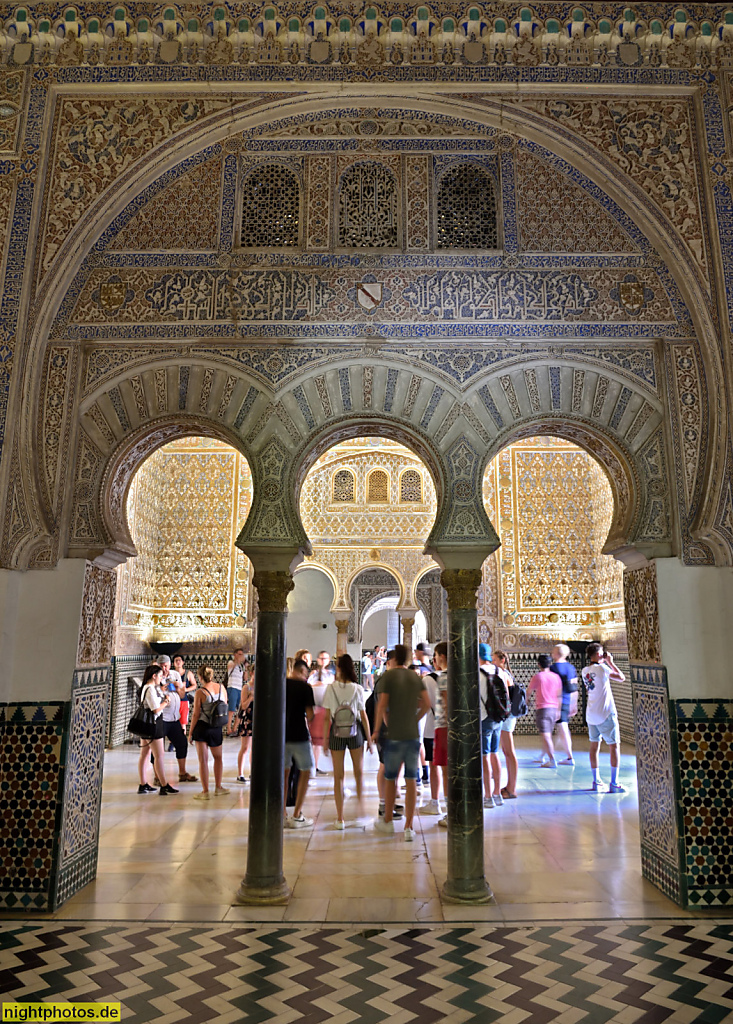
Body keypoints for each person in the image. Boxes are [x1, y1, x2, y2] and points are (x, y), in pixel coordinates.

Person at [372, 643, 430, 841]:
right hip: (412, 734)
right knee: (411, 780)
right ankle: (409, 827)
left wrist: (378, 729)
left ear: (393, 658)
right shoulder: (415, 677)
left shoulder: (387, 677)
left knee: (391, 778)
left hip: (395, 734)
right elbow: (426, 703)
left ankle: (387, 821)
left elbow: (382, 705)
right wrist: (414, 718)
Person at [323, 654, 372, 829]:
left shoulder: (331, 688)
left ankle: (340, 818)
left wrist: (324, 740)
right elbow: (363, 716)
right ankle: (361, 810)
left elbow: (327, 717)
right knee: (359, 773)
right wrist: (370, 739)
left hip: (336, 733)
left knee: (338, 776)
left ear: (339, 668)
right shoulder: (357, 688)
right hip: (355, 732)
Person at [581, 642, 626, 793]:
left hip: (591, 714)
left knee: (594, 747)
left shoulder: (584, 670)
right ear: (599, 654)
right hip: (606, 713)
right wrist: (611, 662)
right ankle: (614, 783)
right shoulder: (603, 668)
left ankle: (596, 781)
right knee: (614, 746)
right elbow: (621, 678)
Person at [136, 664, 178, 795]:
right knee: (159, 755)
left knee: (145, 755)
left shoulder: (147, 687)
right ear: (154, 676)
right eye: (160, 676)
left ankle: (143, 784)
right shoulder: (150, 689)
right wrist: (165, 703)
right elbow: (155, 709)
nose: (161, 678)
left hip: (146, 724)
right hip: (153, 725)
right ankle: (164, 785)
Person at [284, 659, 316, 828]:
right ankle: (297, 815)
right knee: (305, 771)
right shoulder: (305, 688)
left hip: (282, 735)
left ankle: (281, 814)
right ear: (303, 671)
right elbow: (310, 715)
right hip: (299, 736)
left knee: (284, 774)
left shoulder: (282, 684)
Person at [189, 665, 229, 800]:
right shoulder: (222, 688)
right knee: (218, 758)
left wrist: (190, 732)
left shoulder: (200, 692)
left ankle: (205, 791)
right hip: (216, 728)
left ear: (200, 677)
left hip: (202, 727)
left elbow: (196, 714)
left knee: (203, 761)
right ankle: (218, 787)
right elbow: (225, 703)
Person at [478, 642, 510, 808]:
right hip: (498, 718)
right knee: (494, 754)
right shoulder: (500, 671)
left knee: (484, 757)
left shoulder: (477, 673)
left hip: (484, 719)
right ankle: (497, 794)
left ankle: (488, 796)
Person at [157, 684, 198, 784]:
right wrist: (162, 690)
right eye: (163, 666)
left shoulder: (173, 676)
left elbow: (182, 695)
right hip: (162, 719)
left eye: (166, 666)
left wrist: (178, 688)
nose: (165, 668)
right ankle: (157, 776)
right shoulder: (157, 680)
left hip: (174, 719)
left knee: (182, 743)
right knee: (157, 748)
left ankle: (182, 773)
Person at [527, 654, 562, 768]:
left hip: (543, 709)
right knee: (547, 734)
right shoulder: (556, 677)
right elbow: (559, 694)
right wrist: (558, 710)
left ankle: (552, 760)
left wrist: (526, 702)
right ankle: (543, 756)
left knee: (546, 736)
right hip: (553, 709)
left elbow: (529, 691)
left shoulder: (538, 677)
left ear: (538, 664)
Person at [496, 650, 520, 800]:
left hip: (507, 717)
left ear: (502, 660)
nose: (492, 663)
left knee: (509, 752)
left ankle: (511, 789)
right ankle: (509, 786)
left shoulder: (504, 674)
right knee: (506, 751)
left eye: (494, 660)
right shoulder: (506, 673)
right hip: (508, 716)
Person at [420, 649, 442, 814]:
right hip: (454, 729)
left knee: (434, 765)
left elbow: (421, 703)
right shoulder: (460, 677)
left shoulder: (428, 679)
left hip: (432, 729)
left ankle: (435, 802)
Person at [550, 643, 578, 765]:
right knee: (559, 728)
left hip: (556, 702)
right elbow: (574, 687)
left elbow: (552, 687)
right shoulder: (571, 668)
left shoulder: (553, 668)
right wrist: (574, 704)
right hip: (567, 700)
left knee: (562, 728)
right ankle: (547, 753)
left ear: (556, 654)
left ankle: (569, 756)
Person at [431, 641, 449, 827]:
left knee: (446, 772)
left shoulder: (443, 676)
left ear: (441, 657)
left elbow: (446, 703)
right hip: (456, 729)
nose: (434, 659)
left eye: (435, 656)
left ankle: (450, 814)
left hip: (444, 728)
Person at [308, 650, 334, 775]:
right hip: (315, 710)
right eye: (321, 658)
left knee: (325, 739)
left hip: (326, 710)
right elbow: (309, 687)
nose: (323, 661)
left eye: (326, 658)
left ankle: (322, 766)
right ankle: (313, 766)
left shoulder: (331, 675)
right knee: (315, 741)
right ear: (318, 660)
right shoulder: (313, 674)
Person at [235, 666, 254, 782]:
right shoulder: (246, 687)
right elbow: (243, 705)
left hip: (257, 719)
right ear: (251, 673)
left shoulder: (262, 686)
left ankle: (253, 771)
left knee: (255, 748)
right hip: (247, 719)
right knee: (245, 747)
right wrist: (251, 697)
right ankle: (240, 773)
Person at [226, 648, 246, 737]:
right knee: (231, 710)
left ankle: (235, 729)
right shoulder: (231, 663)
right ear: (235, 655)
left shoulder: (242, 666)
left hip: (239, 688)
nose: (241, 656)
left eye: (242, 654)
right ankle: (229, 729)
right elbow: (230, 667)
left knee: (240, 710)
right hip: (232, 687)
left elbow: (245, 678)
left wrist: (245, 667)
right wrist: (238, 661)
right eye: (239, 654)